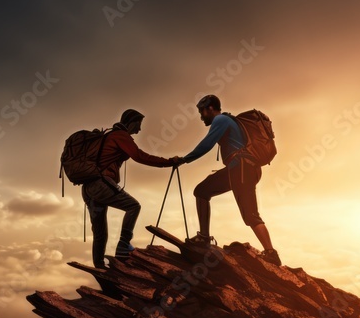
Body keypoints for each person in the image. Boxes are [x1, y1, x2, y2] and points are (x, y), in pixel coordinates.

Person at [180, 95, 281, 266]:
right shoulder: (229, 120)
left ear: (210, 108)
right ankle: (204, 237)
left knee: (250, 214)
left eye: (202, 112)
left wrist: (183, 159)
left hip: (242, 169)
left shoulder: (220, 120)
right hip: (243, 168)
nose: (201, 116)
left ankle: (271, 253)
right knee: (202, 191)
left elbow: (207, 144)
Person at [83, 109, 182, 265]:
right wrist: (169, 162)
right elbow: (139, 156)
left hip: (89, 188)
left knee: (100, 233)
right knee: (133, 206)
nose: (140, 129)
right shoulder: (121, 136)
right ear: (132, 122)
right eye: (139, 124)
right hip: (101, 184)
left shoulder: (109, 136)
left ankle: (100, 268)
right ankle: (123, 245)